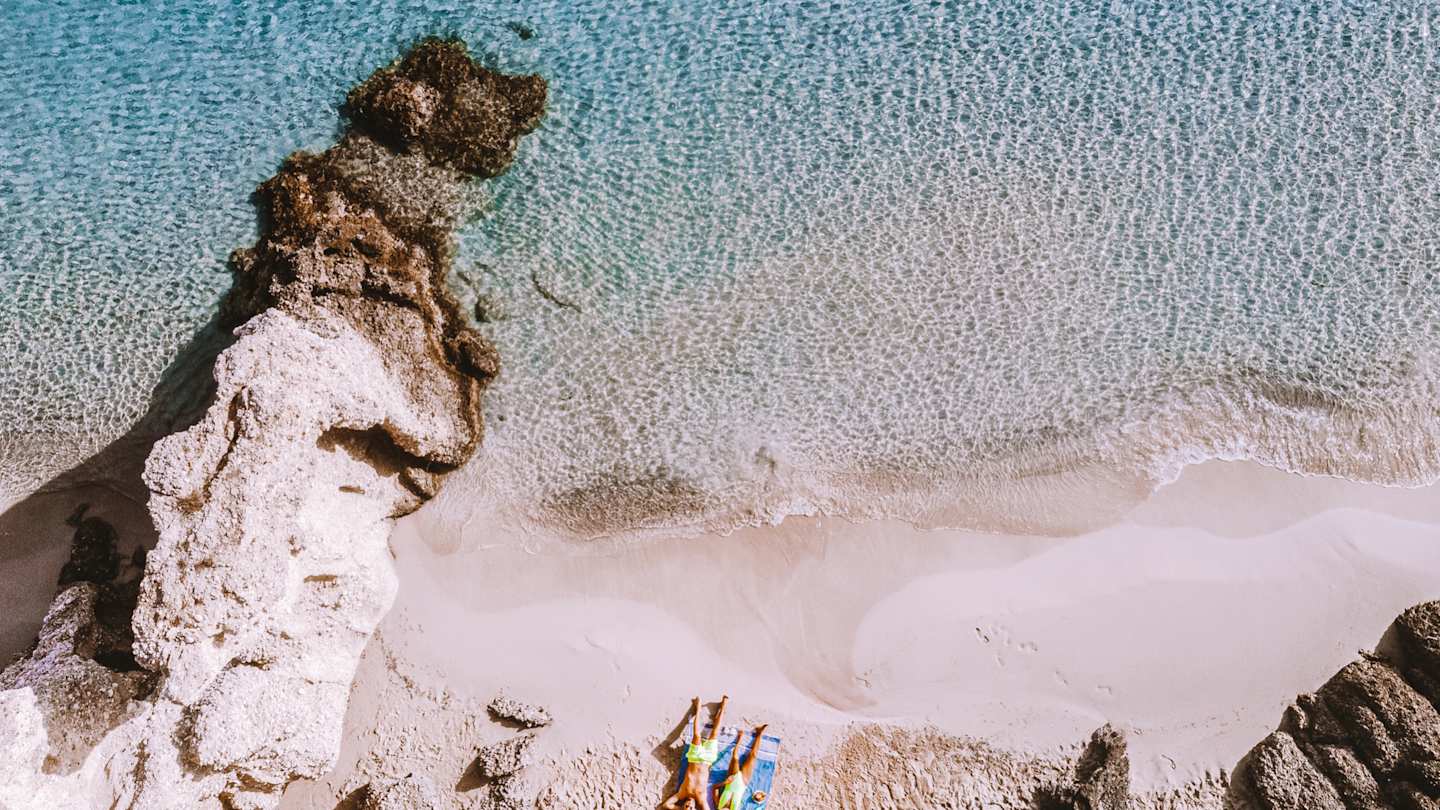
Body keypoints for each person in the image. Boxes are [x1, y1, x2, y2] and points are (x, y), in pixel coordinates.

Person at [663, 695, 728, 810]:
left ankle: (698, 708)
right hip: (708, 759)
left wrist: (679, 809)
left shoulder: (682, 793)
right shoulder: (701, 799)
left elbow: (666, 805)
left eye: (686, 807)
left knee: (697, 735)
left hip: (694, 757)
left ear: (683, 805)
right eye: (691, 808)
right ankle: (723, 706)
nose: (688, 806)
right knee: (714, 734)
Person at [714, 722, 769, 809]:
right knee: (753, 756)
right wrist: (758, 797)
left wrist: (725, 782)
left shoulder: (717, 805)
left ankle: (739, 739)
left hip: (731, 779)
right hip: (743, 782)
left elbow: (715, 788)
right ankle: (759, 733)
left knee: (735, 757)